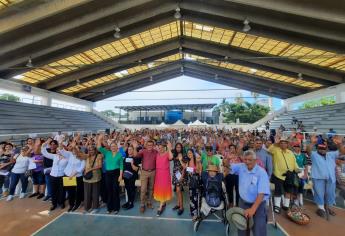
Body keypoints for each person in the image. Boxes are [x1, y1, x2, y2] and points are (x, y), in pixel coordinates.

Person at [230, 150, 270, 236]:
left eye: (250, 160)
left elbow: (261, 194)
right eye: (245, 159)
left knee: (258, 230)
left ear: (255, 160)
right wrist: (226, 160)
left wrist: (253, 209)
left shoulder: (261, 173)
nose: (247, 162)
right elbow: (229, 167)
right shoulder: (241, 166)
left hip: (258, 205)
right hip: (243, 203)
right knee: (242, 227)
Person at [306, 135, 345, 218]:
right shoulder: (314, 155)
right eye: (320, 148)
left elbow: (342, 151)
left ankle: (327, 207)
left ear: (326, 148)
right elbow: (308, 150)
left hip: (331, 178)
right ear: (317, 148)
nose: (322, 150)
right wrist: (312, 142)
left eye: (324, 148)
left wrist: (339, 144)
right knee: (319, 193)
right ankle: (321, 208)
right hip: (318, 178)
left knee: (330, 194)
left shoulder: (331, 154)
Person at [269, 136, 299, 213]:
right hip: (278, 174)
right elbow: (269, 150)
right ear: (279, 144)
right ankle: (277, 206)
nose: (283, 144)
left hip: (290, 174)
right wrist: (275, 143)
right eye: (281, 143)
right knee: (278, 191)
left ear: (287, 144)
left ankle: (286, 205)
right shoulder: (276, 150)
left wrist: (297, 169)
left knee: (288, 191)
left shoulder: (291, 153)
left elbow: (294, 163)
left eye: (285, 143)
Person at [97, 133, 123, 214]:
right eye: (112, 146)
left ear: (117, 147)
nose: (113, 147)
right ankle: (109, 208)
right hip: (108, 174)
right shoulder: (107, 153)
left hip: (116, 173)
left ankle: (116, 208)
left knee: (115, 190)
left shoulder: (119, 155)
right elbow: (98, 147)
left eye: (115, 146)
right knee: (109, 191)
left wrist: (120, 176)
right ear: (110, 147)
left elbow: (121, 166)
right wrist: (99, 139)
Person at [41, 138, 68, 210]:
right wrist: (44, 145)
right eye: (57, 150)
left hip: (61, 176)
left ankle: (61, 203)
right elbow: (45, 153)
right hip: (53, 176)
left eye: (59, 150)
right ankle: (54, 204)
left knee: (62, 190)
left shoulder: (67, 158)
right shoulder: (54, 156)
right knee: (53, 190)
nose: (58, 151)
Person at [76, 145, 103, 213]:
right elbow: (78, 155)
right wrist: (75, 148)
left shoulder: (99, 156)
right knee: (87, 193)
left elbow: (100, 166)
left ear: (95, 150)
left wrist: (90, 169)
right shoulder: (87, 156)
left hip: (96, 177)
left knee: (95, 193)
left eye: (92, 150)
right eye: (90, 150)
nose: (91, 151)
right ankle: (87, 208)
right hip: (87, 177)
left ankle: (95, 207)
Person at [135, 140, 158, 213]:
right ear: (146, 145)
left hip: (153, 172)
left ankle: (149, 202)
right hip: (144, 172)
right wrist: (135, 147)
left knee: (151, 188)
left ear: (153, 145)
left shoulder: (156, 152)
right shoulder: (143, 151)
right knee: (143, 189)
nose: (150, 146)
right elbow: (136, 155)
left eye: (151, 145)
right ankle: (142, 205)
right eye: (148, 145)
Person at [62, 140, 86, 212]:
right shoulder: (70, 155)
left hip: (77, 177)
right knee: (70, 191)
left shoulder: (82, 157)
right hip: (68, 176)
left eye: (76, 149)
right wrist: (60, 142)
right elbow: (62, 151)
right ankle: (71, 204)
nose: (74, 151)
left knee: (78, 191)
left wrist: (73, 174)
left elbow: (82, 168)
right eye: (73, 150)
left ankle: (77, 203)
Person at [153, 140, 173, 216]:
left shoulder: (167, 153)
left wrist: (169, 148)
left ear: (164, 148)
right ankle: (163, 202)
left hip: (165, 174)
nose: (160, 149)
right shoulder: (157, 154)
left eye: (162, 148)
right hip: (158, 174)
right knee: (159, 188)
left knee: (163, 188)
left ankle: (161, 206)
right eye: (159, 148)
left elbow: (171, 157)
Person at [122, 142, 140, 210]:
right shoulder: (125, 158)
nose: (129, 151)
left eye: (131, 149)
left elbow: (136, 169)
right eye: (128, 149)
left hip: (133, 177)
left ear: (133, 150)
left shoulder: (136, 158)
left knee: (132, 189)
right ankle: (128, 201)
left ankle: (131, 203)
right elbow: (123, 167)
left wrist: (132, 164)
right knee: (127, 189)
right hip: (126, 176)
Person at [186, 149, 202, 221]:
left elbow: (199, 171)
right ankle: (193, 213)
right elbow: (187, 170)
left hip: (197, 181)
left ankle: (197, 213)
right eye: (188, 153)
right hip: (191, 182)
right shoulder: (188, 161)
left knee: (197, 197)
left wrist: (191, 169)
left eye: (190, 153)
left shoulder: (197, 160)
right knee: (192, 198)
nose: (189, 154)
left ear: (193, 153)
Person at [171, 142, 187, 215]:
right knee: (177, 191)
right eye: (177, 147)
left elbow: (184, 167)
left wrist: (182, 176)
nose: (178, 149)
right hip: (175, 173)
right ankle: (178, 204)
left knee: (178, 190)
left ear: (181, 148)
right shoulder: (174, 154)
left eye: (179, 147)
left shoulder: (183, 156)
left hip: (181, 175)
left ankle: (181, 207)